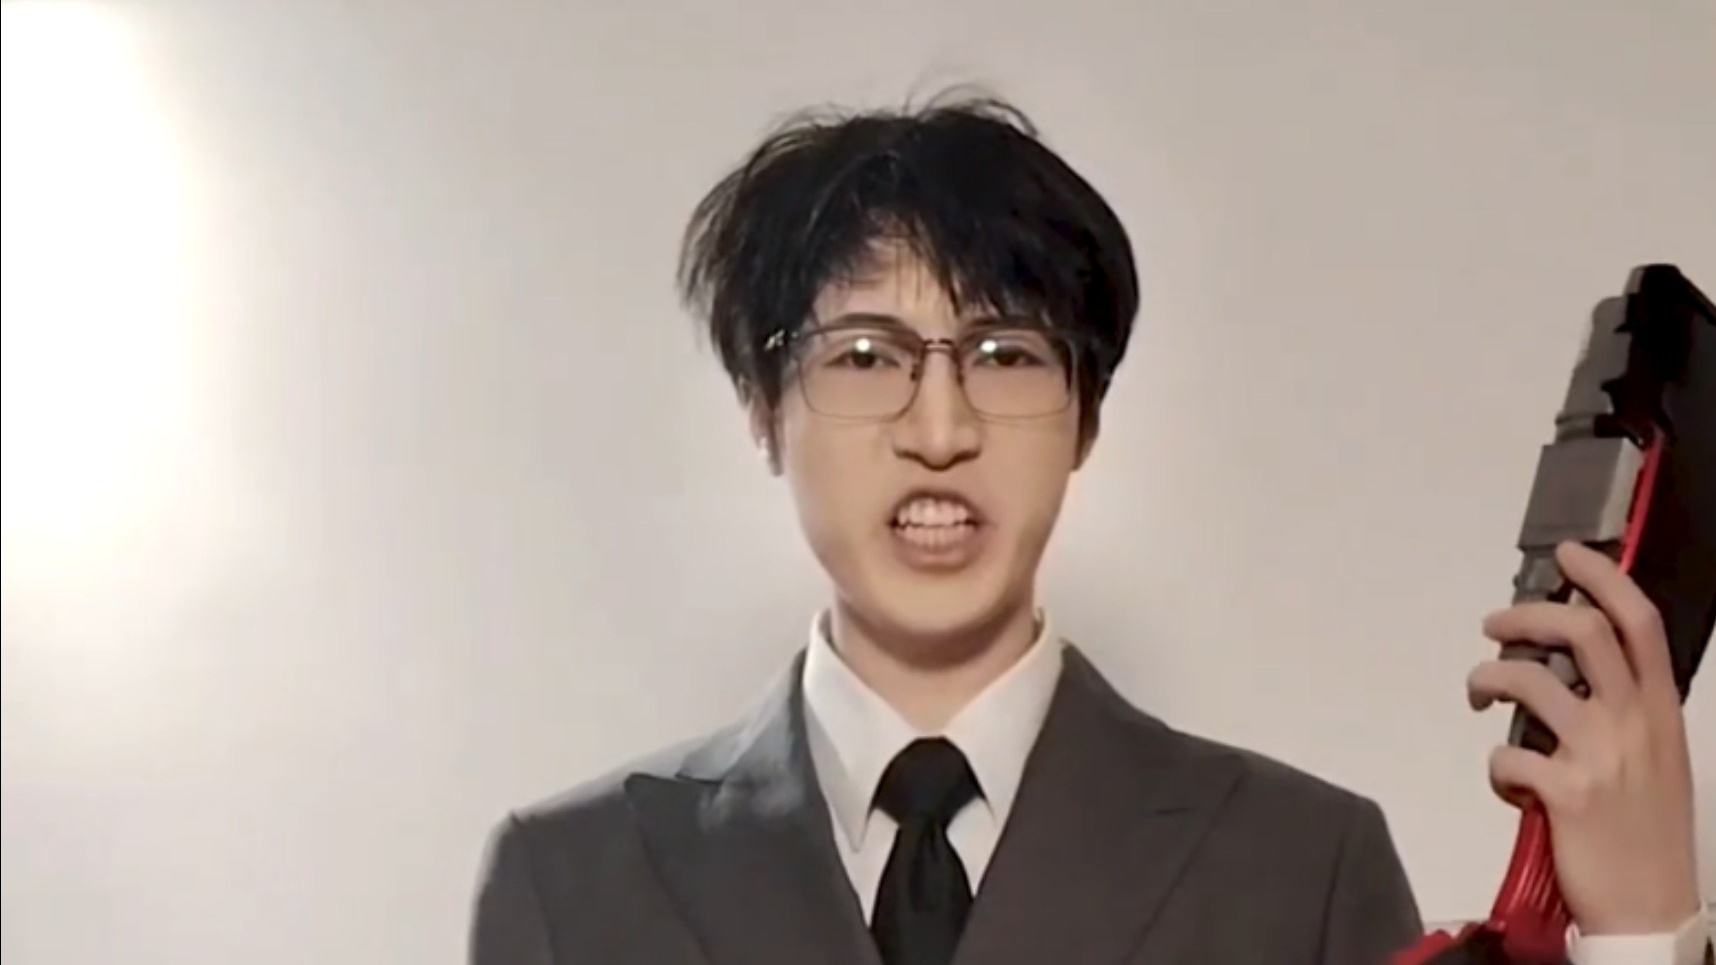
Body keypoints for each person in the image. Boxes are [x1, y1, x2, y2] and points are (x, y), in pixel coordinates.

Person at [467, 93, 1709, 965]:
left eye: (1006, 353)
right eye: (867, 355)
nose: (940, 427)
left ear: (1087, 414)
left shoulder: (1300, 863)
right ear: (761, 408)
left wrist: (1643, 935)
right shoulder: (568, 878)